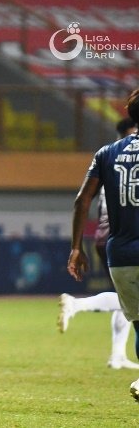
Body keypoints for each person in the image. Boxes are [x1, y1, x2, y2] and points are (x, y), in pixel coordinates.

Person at [66, 89, 139, 401]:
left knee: (138, 321)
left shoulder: (106, 153)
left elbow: (82, 200)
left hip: (120, 255)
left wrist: (76, 247)